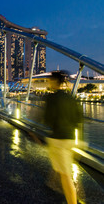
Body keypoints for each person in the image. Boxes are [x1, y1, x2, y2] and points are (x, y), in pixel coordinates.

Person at [43, 71, 83, 204]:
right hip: (70, 139)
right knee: (62, 167)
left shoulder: (52, 98)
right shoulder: (70, 98)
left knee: (66, 176)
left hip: (58, 139)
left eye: (50, 80)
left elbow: (48, 119)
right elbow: (78, 118)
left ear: (54, 82)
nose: (49, 83)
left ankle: (72, 201)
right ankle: (52, 183)